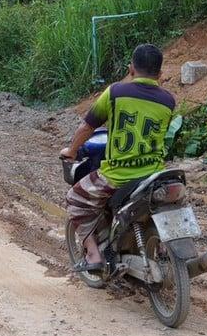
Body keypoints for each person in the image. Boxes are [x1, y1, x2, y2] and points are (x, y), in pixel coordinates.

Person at [60, 43, 176, 274]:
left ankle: (93, 255)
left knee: (75, 198)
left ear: (131, 68)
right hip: (154, 174)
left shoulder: (115, 92)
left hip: (118, 175)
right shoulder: (168, 101)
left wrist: (71, 151)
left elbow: (87, 126)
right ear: (160, 74)